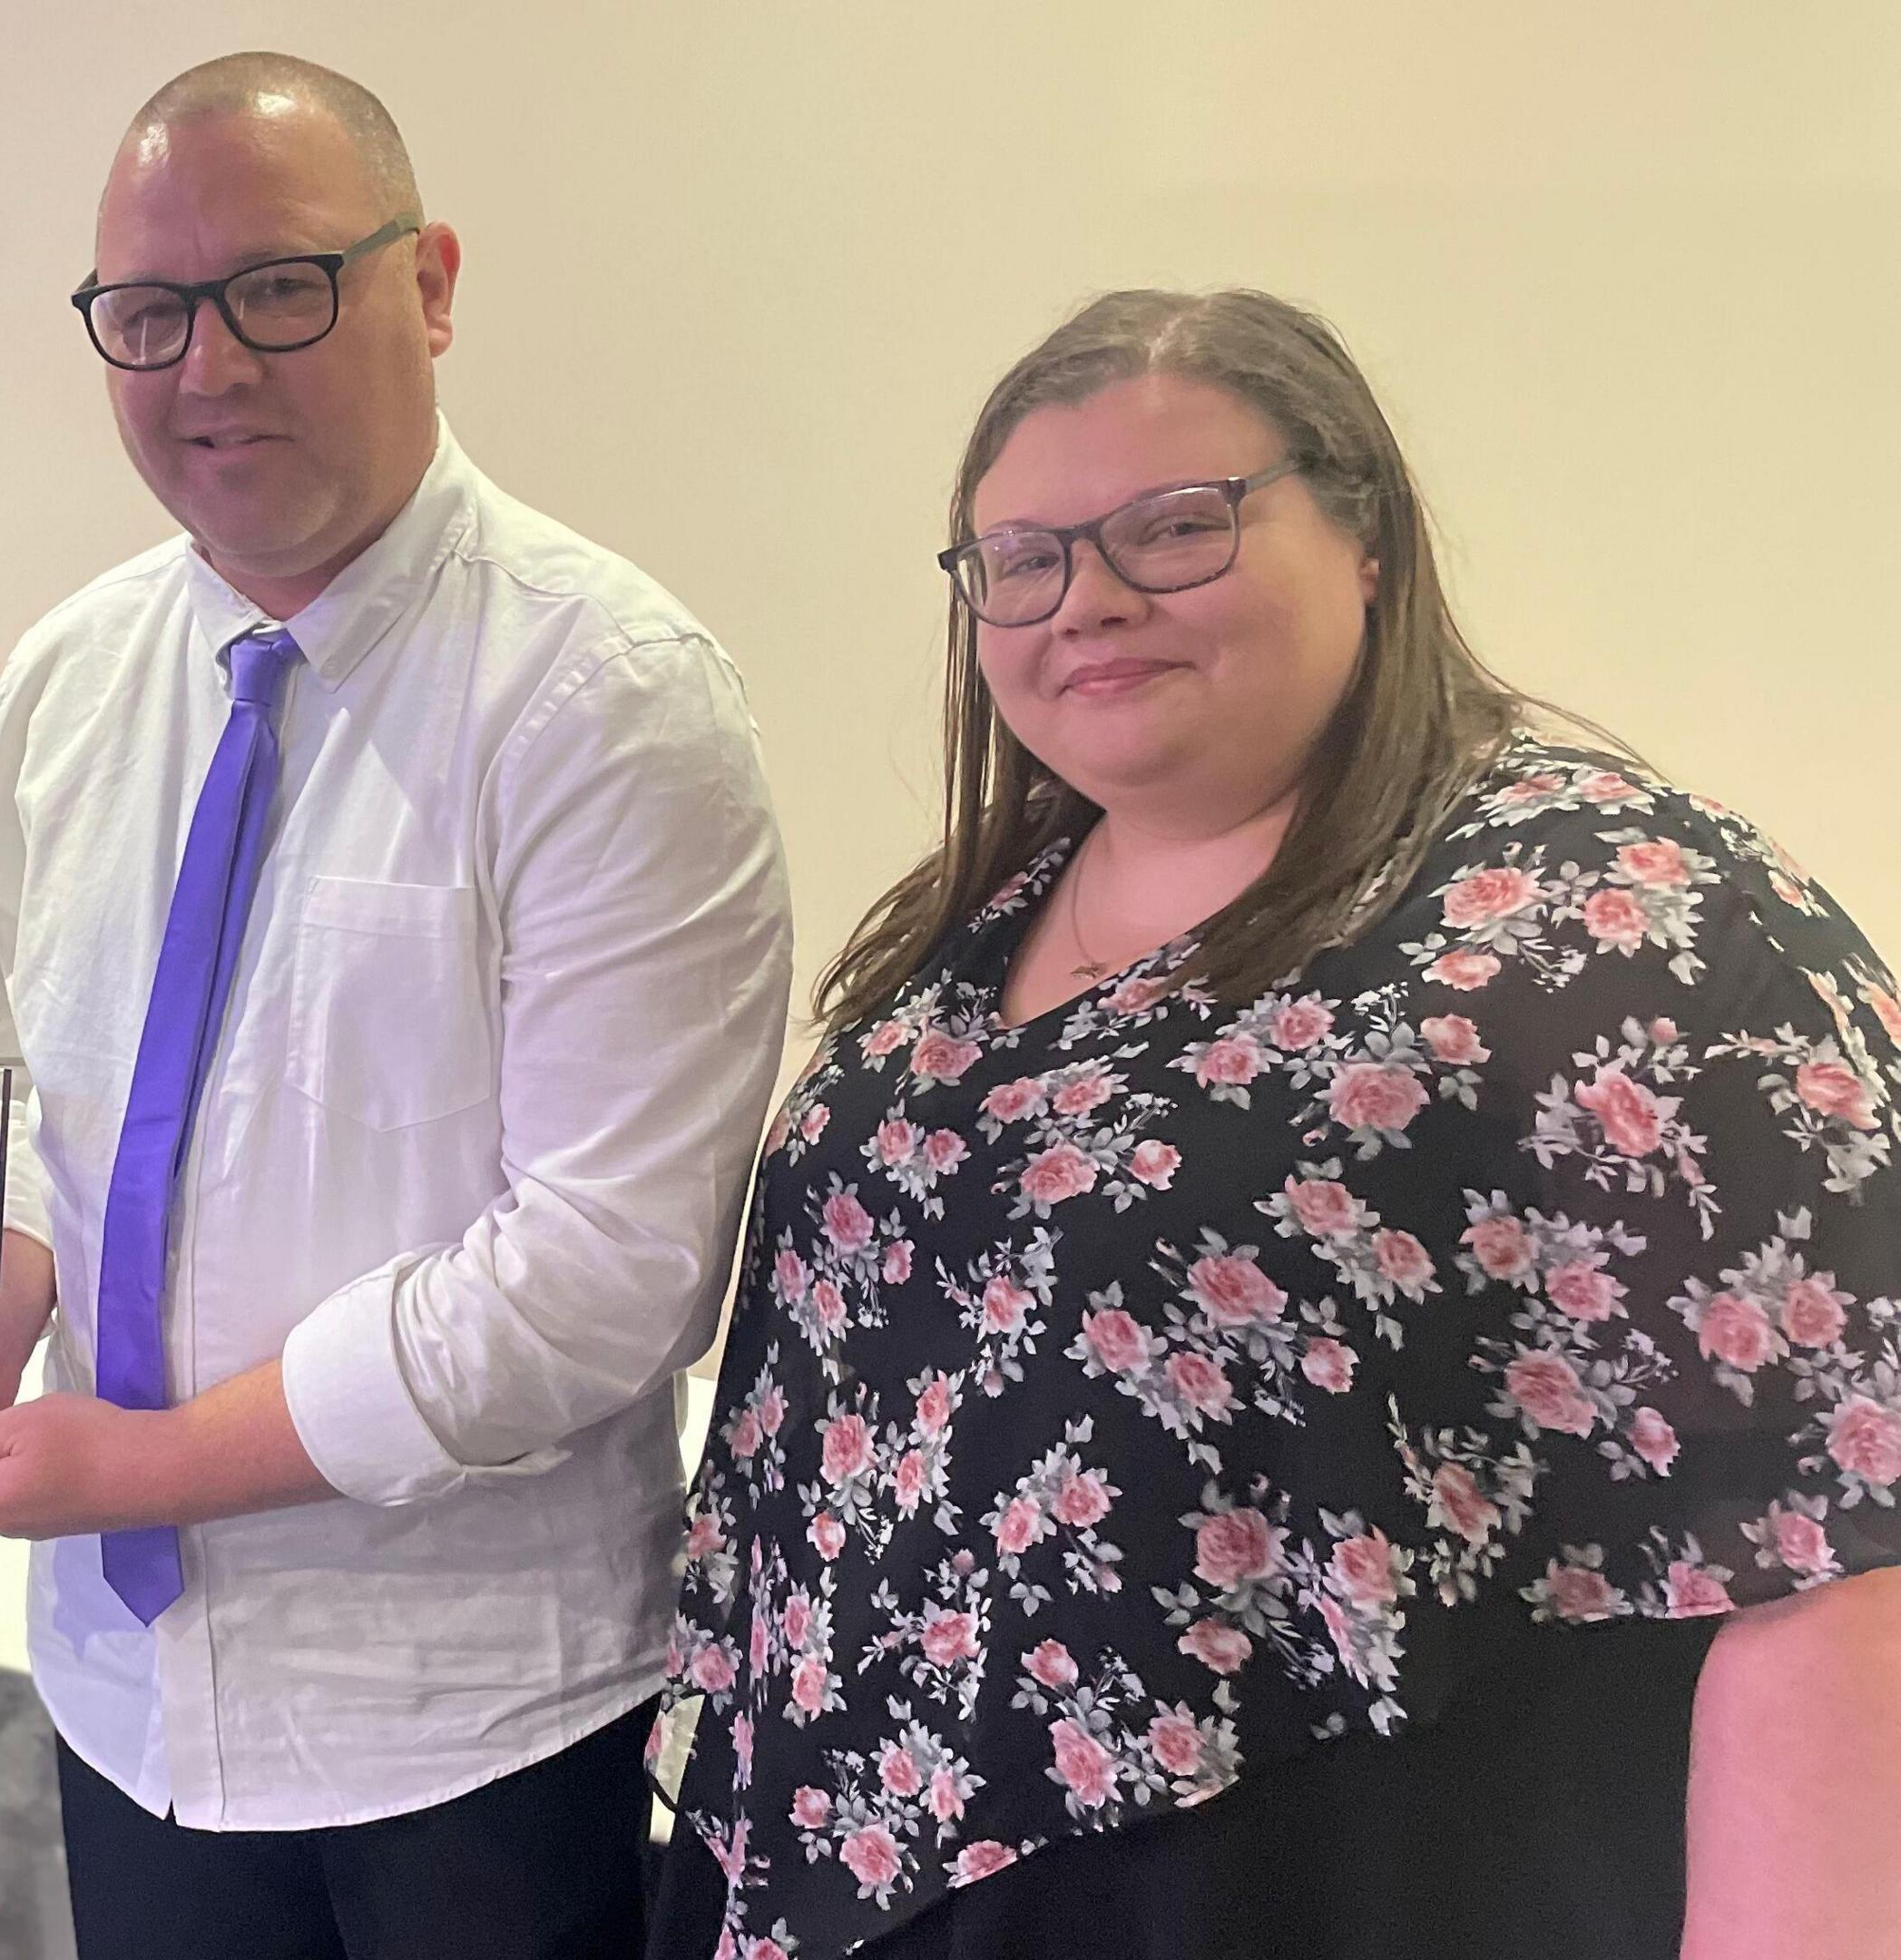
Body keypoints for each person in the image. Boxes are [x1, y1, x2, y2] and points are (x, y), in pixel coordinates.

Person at [651, 288, 1901, 1959]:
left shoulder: (1618, 920)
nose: (1085, 599)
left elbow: (1845, 1533)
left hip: (1321, 1875)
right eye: (1022, 560)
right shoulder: (983, 914)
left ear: (1366, 536)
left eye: (1175, 529)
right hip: (877, 1855)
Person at [0, 53, 793, 1960]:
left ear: (432, 285)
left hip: (471, 1722)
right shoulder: (68, 679)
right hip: (128, 1693)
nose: (208, 367)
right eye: (147, 315)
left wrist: (152, 1466)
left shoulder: (608, 701)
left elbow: (609, 1267)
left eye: (281, 289)